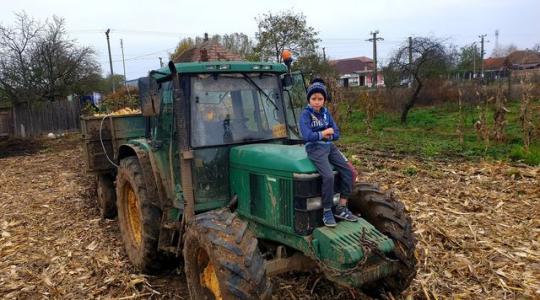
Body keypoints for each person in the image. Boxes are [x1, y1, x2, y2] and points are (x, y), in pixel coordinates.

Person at [299, 79, 358, 227]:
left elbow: (336, 133)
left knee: (350, 172)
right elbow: (307, 136)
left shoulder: (326, 114)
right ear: (309, 99)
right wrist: (324, 132)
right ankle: (327, 211)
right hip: (314, 148)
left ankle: (341, 207)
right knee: (328, 176)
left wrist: (327, 135)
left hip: (329, 146)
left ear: (324, 100)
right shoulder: (305, 115)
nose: (317, 102)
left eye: (320, 99)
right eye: (314, 99)